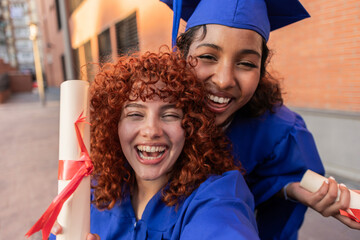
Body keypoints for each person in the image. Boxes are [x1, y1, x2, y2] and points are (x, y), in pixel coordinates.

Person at [160, 0, 360, 239]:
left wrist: (289, 190)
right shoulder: (146, 114)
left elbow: (277, 190)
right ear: (180, 56)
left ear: (262, 70)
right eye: (208, 56)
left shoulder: (279, 132)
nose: (224, 80)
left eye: (246, 63)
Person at [51, 49, 260, 240]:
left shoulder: (216, 197)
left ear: (191, 126)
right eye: (134, 114)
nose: (151, 131)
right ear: (114, 125)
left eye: (169, 115)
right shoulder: (91, 192)